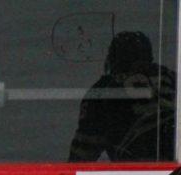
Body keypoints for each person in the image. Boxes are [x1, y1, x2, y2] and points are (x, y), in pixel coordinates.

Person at [69, 31, 176, 163]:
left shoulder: (103, 90)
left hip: (133, 171)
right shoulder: (173, 78)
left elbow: (83, 152)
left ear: (113, 58)